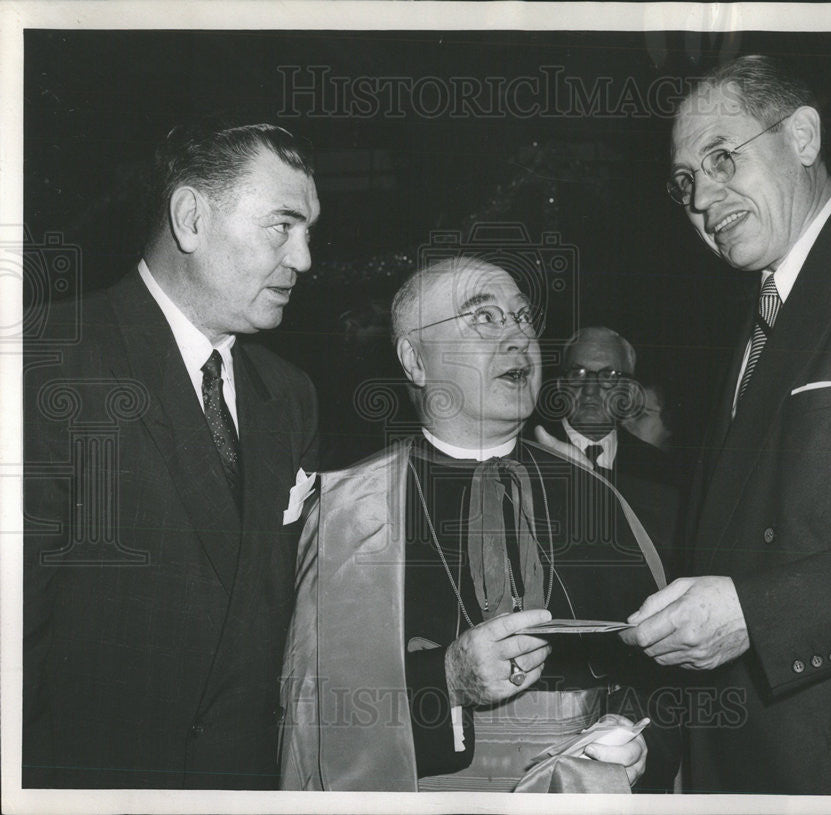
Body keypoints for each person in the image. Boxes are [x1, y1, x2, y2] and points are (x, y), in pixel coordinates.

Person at [620, 55, 831, 794]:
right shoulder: (747, 329)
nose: (703, 198)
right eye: (684, 183)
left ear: (803, 135)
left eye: (721, 159)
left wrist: (759, 612)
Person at [279, 257, 680, 792]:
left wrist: (633, 736)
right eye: (485, 318)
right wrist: (444, 683)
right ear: (415, 360)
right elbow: (313, 720)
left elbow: (664, 674)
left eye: (522, 319)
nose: (518, 337)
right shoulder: (353, 508)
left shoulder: (598, 495)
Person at [22, 120, 321, 789]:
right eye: (283, 224)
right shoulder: (48, 363)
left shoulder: (291, 395)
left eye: (309, 231)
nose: (303, 257)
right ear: (190, 218)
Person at [537, 327, 683, 576]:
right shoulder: (529, 456)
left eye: (609, 376)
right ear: (561, 385)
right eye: (578, 373)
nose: (591, 389)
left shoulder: (661, 471)